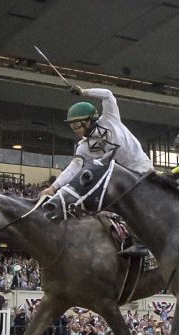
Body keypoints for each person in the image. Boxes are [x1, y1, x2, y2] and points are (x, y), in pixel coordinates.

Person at [40, 86, 154, 257]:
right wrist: (54, 188)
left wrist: (84, 92)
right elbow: (74, 167)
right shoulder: (84, 147)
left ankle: (144, 243)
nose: (73, 129)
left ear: (88, 121)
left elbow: (107, 95)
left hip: (142, 169)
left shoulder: (110, 118)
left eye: (76, 125)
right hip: (121, 180)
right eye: (71, 126)